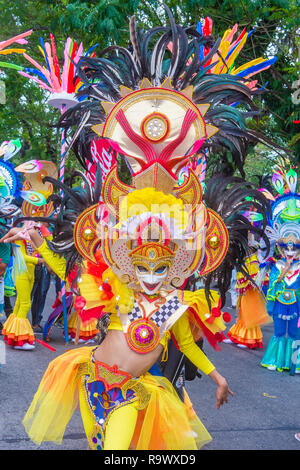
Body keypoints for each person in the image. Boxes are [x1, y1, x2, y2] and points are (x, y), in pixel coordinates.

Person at [3, 8, 277, 450]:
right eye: (142, 253)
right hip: (93, 381)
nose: (151, 264)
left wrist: (220, 377)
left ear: (177, 258)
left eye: (161, 257)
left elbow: (187, 346)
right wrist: (36, 239)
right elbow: (67, 273)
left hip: (135, 393)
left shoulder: (175, 302)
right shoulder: (115, 285)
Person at [260, 165, 300, 373]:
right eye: (286, 246)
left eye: (295, 246)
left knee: (294, 334)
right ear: (279, 246)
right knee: (277, 332)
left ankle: (294, 363)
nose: (290, 250)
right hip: (279, 306)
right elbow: (271, 287)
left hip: (297, 307)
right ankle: (276, 360)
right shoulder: (276, 265)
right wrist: (280, 276)